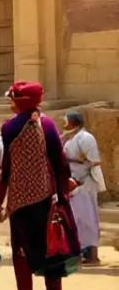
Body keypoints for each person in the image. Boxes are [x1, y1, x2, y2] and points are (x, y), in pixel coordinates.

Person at [0, 82, 81, 290]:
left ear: (20, 101)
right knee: (51, 248)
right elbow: (59, 161)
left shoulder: (9, 127)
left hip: (20, 201)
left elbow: (6, 168)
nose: (10, 103)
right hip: (47, 197)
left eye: (12, 99)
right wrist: (62, 192)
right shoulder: (48, 124)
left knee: (21, 251)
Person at [62, 111, 105, 266]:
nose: (64, 124)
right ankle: (80, 253)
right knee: (77, 219)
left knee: (88, 219)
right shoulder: (71, 138)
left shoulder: (86, 138)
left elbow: (92, 162)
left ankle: (93, 256)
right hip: (74, 184)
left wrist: (78, 179)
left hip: (84, 183)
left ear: (72, 122)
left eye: (66, 121)